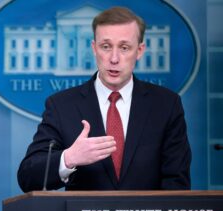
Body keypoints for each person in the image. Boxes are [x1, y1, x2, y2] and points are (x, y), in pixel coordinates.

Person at [17, 6, 191, 192]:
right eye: (106, 46)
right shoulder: (61, 106)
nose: (114, 58)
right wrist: (69, 158)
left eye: (124, 48)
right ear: (94, 48)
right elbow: (28, 177)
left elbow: (177, 182)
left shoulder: (166, 105)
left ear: (139, 51)